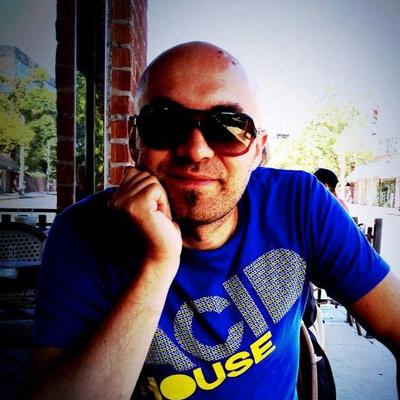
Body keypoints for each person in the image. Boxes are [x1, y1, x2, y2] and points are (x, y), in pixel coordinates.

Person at [26, 42, 399, 399]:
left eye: (228, 127)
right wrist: (157, 266)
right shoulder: (83, 231)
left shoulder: (300, 204)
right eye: (165, 122)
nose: (196, 150)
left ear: (258, 151)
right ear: (135, 140)